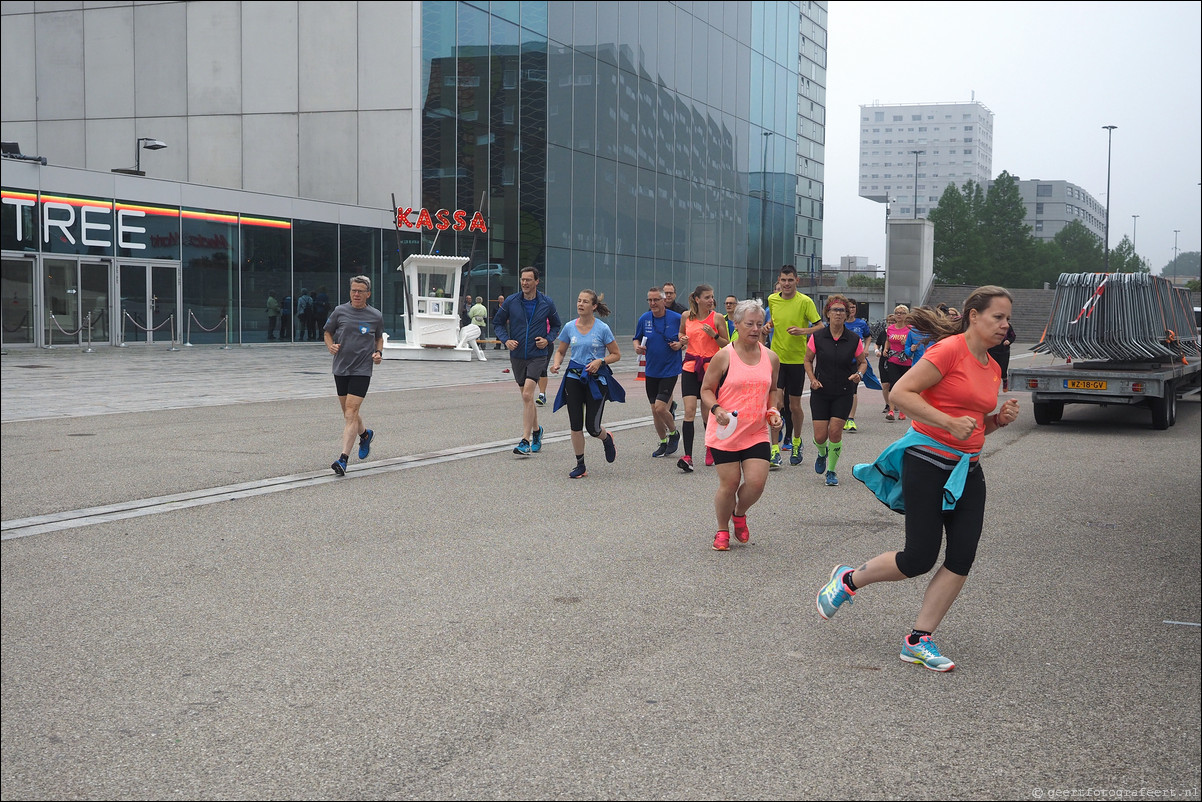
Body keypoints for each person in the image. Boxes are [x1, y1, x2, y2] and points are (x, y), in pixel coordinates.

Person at [814, 285, 1021, 672]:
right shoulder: (948, 351)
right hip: (926, 462)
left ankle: (918, 638)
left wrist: (995, 421)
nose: (1005, 326)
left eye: (1008, 319)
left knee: (962, 556)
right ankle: (848, 580)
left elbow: (971, 426)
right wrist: (944, 421)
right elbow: (902, 394)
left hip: (967, 470)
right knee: (919, 558)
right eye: (998, 317)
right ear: (974, 316)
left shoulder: (993, 367)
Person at [701, 300, 783, 550]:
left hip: (756, 430)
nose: (756, 329)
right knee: (730, 483)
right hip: (726, 431)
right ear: (736, 324)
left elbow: (773, 390)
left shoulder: (770, 357)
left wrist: (773, 410)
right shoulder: (723, 356)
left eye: (759, 324)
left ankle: (739, 514)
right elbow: (705, 390)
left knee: (757, 483)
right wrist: (717, 409)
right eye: (749, 324)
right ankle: (722, 530)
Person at [550, 289, 623, 478]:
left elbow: (616, 354)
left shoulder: (602, 329)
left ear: (594, 306)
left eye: (585, 302)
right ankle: (580, 465)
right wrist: (556, 363)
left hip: (596, 380)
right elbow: (561, 351)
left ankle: (606, 438)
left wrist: (601, 361)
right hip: (574, 378)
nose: (580, 304)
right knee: (575, 425)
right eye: (578, 301)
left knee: (592, 428)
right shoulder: (569, 327)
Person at [493, 267, 561, 456]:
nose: (524, 283)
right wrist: (506, 340)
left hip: (538, 354)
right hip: (517, 355)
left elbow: (556, 325)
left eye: (529, 280)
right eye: (522, 280)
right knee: (527, 398)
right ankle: (538, 431)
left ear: (537, 282)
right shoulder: (511, 301)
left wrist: (548, 339)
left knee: (527, 395)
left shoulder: (546, 303)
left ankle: (525, 440)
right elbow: (497, 323)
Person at [323, 275, 385, 476]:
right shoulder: (340, 311)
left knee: (351, 412)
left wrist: (378, 353)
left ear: (368, 293)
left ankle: (343, 459)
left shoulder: (375, 315)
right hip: (341, 368)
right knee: (348, 413)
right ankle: (365, 435)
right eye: (353, 291)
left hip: (362, 369)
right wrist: (330, 345)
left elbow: (379, 338)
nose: (356, 294)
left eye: (360, 291)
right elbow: (327, 332)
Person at [803, 295, 868, 487]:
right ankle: (822, 453)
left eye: (842, 310)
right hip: (821, 391)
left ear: (847, 315)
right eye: (835, 310)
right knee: (820, 436)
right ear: (828, 314)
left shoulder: (854, 339)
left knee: (835, 432)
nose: (838, 313)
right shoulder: (817, 337)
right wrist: (812, 379)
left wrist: (859, 374)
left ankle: (831, 471)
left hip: (843, 391)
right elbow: (807, 360)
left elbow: (863, 362)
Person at [765, 264, 824, 468]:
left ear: (797, 281)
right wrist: (768, 326)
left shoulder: (805, 302)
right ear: (779, 281)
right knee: (776, 404)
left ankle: (797, 442)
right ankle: (774, 450)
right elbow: (775, 320)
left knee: (794, 406)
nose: (787, 284)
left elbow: (820, 327)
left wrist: (802, 330)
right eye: (783, 280)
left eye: (790, 280)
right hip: (776, 360)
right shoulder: (772, 300)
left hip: (798, 361)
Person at [677, 284, 729, 472]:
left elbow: (726, 343)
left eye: (712, 297)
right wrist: (682, 339)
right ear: (697, 299)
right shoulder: (686, 316)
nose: (711, 300)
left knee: (707, 412)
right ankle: (688, 456)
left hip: (710, 368)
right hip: (690, 366)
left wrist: (713, 334)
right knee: (689, 411)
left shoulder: (717, 318)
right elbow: (682, 332)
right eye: (707, 297)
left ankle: (710, 448)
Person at [633, 286, 683, 457]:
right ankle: (663, 442)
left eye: (656, 300)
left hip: (670, 369)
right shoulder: (644, 318)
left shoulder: (677, 318)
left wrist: (680, 344)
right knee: (654, 410)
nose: (652, 303)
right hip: (651, 370)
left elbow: (686, 337)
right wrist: (637, 348)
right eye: (650, 300)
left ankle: (674, 433)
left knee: (661, 408)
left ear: (664, 300)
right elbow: (636, 338)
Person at [843, 298, 872, 432]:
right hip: (840, 361)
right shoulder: (840, 323)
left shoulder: (861, 323)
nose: (852, 310)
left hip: (855, 362)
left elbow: (868, 336)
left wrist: (866, 348)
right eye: (849, 307)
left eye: (854, 307)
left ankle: (850, 419)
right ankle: (839, 416)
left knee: (852, 390)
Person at [882, 304, 913, 421]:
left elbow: (914, 344)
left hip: (906, 360)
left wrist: (907, 344)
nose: (899, 315)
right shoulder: (890, 328)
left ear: (907, 315)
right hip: (893, 359)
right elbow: (888, 340)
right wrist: (885, 348)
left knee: (903, 387)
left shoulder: (910, 329)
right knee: (893, 385)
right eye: (897, 313)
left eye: (902, 313)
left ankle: (902, 411)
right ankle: (891, 411)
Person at [988, 322, 1017, 391]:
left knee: (1003, 370)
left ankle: (1005, 380)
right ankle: (995, 388)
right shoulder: (990, 325)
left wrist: (1009, 341)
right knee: (993, 371)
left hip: (1004, 351)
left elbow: (1013, 336)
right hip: (992, 350)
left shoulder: (1007, 326)